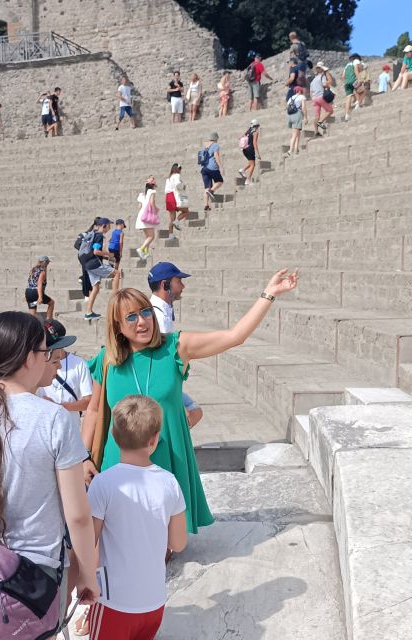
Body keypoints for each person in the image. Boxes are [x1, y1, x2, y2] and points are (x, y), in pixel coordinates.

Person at [81, 269, 300, 535]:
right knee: (119, 537)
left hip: (166, 456)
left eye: (146, 312)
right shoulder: (107, 360)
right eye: (131, 317)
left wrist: (269, 294)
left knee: (163, 544)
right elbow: (93, 411)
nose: (142, 322)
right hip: (118, 463)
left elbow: (235, 337)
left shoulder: (176, 347)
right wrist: (84, 458)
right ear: (117, 326)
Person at [0, 312, 100, 619]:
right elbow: (78, 515)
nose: (50, 358)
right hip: (36, 577)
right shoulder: (53, 419)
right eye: (46, 351)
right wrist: (88, 574)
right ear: (27, 359)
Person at [86, 395, 187, 640]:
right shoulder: (169, 482)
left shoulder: (103, 483)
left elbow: (88, 542)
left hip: (114, 602)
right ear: (154, 439)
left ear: (112, 434)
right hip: (153, 603)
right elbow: (178, 543)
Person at [147, 261, 204, 429]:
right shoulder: (156, 317)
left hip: (167, 382)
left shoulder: (162, 310)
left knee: (195, 411)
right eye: (178, 281)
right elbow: (157, 361)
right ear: (165, 285)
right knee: (189, 415)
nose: (183, 286)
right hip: (161, 385)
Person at [39, 319, 93, 432]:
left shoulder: (79, 363)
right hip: (45, 428)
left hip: (71, 429)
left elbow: (89, 401)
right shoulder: (38, 364)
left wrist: (60, 407)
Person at [82, 218, 115, 320]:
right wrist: (109, 254)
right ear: (104, 225)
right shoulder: (99, 236)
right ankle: (115, 297)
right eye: (109, 225)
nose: (110, 227)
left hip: (87, 264)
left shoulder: (93, 234)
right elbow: (96, 251)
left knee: (96, 287)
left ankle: (88, 312)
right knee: (117, 273)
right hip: (94, 264)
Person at [135, 178, 159, 259]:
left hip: (141, 216)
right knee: (151, 237)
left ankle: (145, 252)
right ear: (153, 186)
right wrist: (156, 209)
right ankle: (141, 249)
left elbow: (139, 206)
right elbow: (152, 203)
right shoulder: (152, 192)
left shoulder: (142, 195)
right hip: (148, 216)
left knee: (148, 237)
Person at [25, 256, 55, 320]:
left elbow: (30, 281)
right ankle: (49, 321)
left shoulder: (33, 270)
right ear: (46, 263)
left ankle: (31, 327)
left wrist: (28, 295)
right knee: (51, 302)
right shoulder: (42, 272)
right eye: (48, 263)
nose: (48, 264)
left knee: (32, 314)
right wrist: (40, 297)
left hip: (28, 292)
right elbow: (39, 284)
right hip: (35, 292)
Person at [200, 132, 224, 212]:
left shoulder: (204, 146)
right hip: (212, 167)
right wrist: (221, 167)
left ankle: (206, 205)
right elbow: (216, 156)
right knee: (220, 181)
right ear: (215, 138)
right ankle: (212, 191)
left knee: (206, 188)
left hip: (204, 169)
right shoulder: (215, 145)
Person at [310, 62, 334, 136]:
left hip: (314, 99)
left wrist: (313, 98)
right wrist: (328, 75)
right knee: (330, 110)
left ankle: (316, 131)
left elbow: (311, 92)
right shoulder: (322, 77)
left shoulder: (313, 80)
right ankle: (320, 122)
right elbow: (326, 84)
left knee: (316, 116)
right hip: (320, 97)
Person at [163, 164, 184, 240]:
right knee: (186, 211)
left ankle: (170, 235)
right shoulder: (176, 175)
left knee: (171, 219)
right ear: (177, 169)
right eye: (180, 169)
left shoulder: (168, 178)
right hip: (174, 195)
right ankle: (177, 221)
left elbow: (166, 190)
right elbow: (178, 186)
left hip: (168, 196)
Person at [342, 54, 364, 122]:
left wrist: (346, 81)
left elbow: (343, 76)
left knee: (348, 97)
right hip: (353, 80)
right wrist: (359, 79)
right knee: (362, 91)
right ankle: (358, 104)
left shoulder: (347, 65)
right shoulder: (356, 61)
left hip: (347, 82)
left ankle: (346, 114)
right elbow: (356, 70)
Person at [286, 86, 307, 157]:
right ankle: (290, 150)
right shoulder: (302, 97)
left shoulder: (290, 98)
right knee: (294, 135)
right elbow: (304, 107)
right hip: (297, 115)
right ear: (300, 91)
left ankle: (296, 149)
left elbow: (287, 107)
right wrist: (306, 117)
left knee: (297, 132)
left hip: (290, 116)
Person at [239, 118, 261, 185]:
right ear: (256, 126)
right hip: (250, 149)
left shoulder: (248, 130)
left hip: (244, 149)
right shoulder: (255, 132)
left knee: (250, 162)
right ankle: (248, 180)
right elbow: (254, 143)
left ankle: (242, 170)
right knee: (253, 165)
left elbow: (240, 137)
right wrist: (258, 153)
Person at [108, 219, 126, 288]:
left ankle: (111, 272)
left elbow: (110, 240)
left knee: (112, 260)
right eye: (123, 226)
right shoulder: (121, 233)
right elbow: (121, 242)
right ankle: (115, 275)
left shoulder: (113, 232)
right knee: (117, 261)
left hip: (111, 247)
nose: (122, 227)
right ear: (121, 224)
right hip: (116, 248)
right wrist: (120, 252)